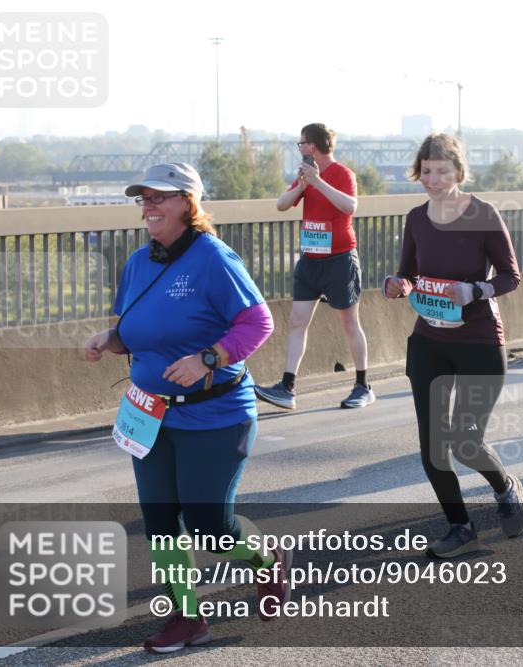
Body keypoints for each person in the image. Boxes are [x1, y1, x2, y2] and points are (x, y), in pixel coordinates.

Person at [84, 163, 287, 653]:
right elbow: (137, 327)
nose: (149, 206)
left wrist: (208, 358)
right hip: (150, 413)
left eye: (161, 197)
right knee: (161, 522)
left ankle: (268, 560)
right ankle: (186, 616)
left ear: (189, 204)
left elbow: (259, 324)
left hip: (215, 414)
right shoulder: (137, 262)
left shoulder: (214, 258)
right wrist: (109, 339)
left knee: (211, 528)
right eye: (144, 198)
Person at [382, 133, 523, 558]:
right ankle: (460, 526)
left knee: (465, 440)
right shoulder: (415, 218)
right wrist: (397, 284)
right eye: (426, 171)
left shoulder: (483, 213)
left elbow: (510, 276)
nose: (433, 179)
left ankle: (504, 486)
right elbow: (408, 272)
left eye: (442, 171)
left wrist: (475, 291)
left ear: (458, 172)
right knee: (433, 444)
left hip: (479, 342)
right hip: (428, 341)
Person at [255, 123, 374, 410]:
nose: (299, 148)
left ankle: (362, 385)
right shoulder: (305, 176)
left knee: (349, 323)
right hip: (310, 260)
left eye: (301, 144)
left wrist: (319, 182)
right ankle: (287, 387)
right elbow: (281, 205)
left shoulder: (342, 174)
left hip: (340, 259)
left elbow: (350, 206)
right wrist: (303, 186)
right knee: (297, 323)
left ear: (312, 146)